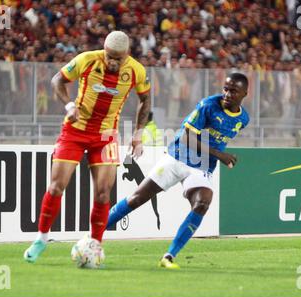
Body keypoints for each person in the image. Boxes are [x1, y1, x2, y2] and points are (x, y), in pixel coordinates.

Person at [24, 31, 151, 263]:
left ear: (127, 55)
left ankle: (95, 245)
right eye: (109, 56)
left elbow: (146, 99)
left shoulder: (136, 71)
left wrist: (138, 133)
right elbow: (57, 80)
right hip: (74, 131)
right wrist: (69, 106)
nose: (112, 62)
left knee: (103, 193)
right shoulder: (87, 59)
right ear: (104, 49)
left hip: (106, 136)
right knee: (56, 187)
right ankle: (41, 238)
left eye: (117, 58)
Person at [106, 73, 249, 269]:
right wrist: (220, 155)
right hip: (177, 158)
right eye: (225, 88)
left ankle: (169, 256)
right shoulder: (208, 105)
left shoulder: (243, 119)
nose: (227, 94)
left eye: (233, 91)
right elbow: (185, 138)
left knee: (202, 203)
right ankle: (91, 236)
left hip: (202, 167)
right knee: (136, 199)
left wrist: (216, 156)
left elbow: (218, 137)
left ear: (244, 94)